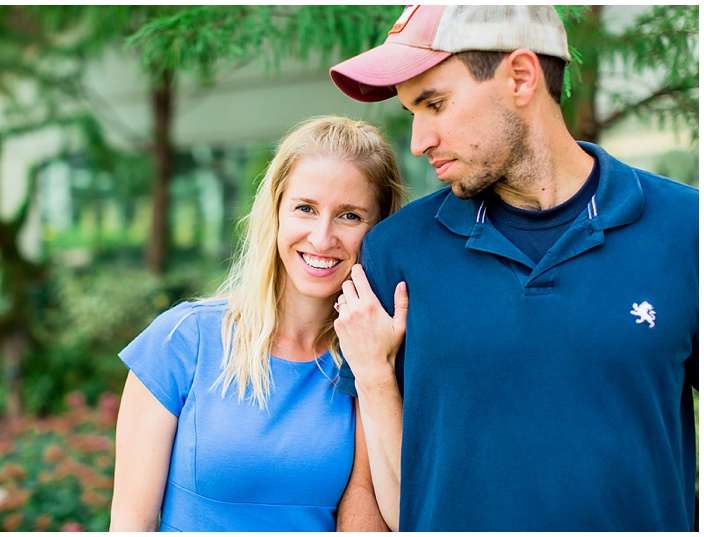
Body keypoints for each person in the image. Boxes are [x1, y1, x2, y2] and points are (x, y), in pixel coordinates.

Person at [328, 5, 699, 532]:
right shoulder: (395, 251)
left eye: (435, 103)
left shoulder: (688, 230)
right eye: (413, 112)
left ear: (521, 78)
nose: (418, 140)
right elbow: (366, 489)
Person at [108, 115, 404, 531]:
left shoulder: (374, 357)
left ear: (381, 230)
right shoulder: (182, 342)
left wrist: (375, 369)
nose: (322, 238)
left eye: (350, 216)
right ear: (276, 213)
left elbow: (386, 510)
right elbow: (130, 526)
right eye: (305, 208)